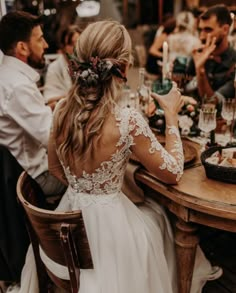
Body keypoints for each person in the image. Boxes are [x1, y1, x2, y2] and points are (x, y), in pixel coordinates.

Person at [10, 20, 222, 293]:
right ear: (122, 68)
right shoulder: (126, 120)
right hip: (109, 236)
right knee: (161, 218)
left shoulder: (61, 108)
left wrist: (84, 187)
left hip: (67, 225)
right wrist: (171, 116)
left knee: (154, 214)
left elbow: (54, 167)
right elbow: (173, 172)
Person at [0, 11, 65, 196]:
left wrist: (51, 108)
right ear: (22, 47)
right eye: (40, 39)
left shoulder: (5, 77)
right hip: (35, 179)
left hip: (16, 175)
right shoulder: (19, 86)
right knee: (101, 177)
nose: (45, 45)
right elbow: (53, 139)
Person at [185, 4, 236, 105]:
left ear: (225, 30)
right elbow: (183, 87)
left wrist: (201, 71)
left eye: (208, 30)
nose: (202, 36)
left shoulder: (233, 62)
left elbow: (211, 103)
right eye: (200, 30)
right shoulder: (198, 54)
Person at [43, 25, 81, 104]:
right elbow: (50, 98)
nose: (75, 48)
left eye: (78, 43)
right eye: (71, 44)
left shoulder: (88, 65)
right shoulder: (54, 68)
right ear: (63, 46)